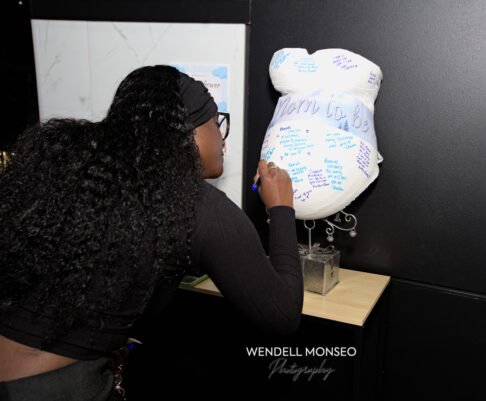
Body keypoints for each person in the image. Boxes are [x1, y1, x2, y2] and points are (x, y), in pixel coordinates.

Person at [0, 65, 303, 400]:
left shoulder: (81, 173)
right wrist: (281, 207)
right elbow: (282, 316)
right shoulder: (196, 204)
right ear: (186, 130)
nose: (223, 142)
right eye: (217, 123)